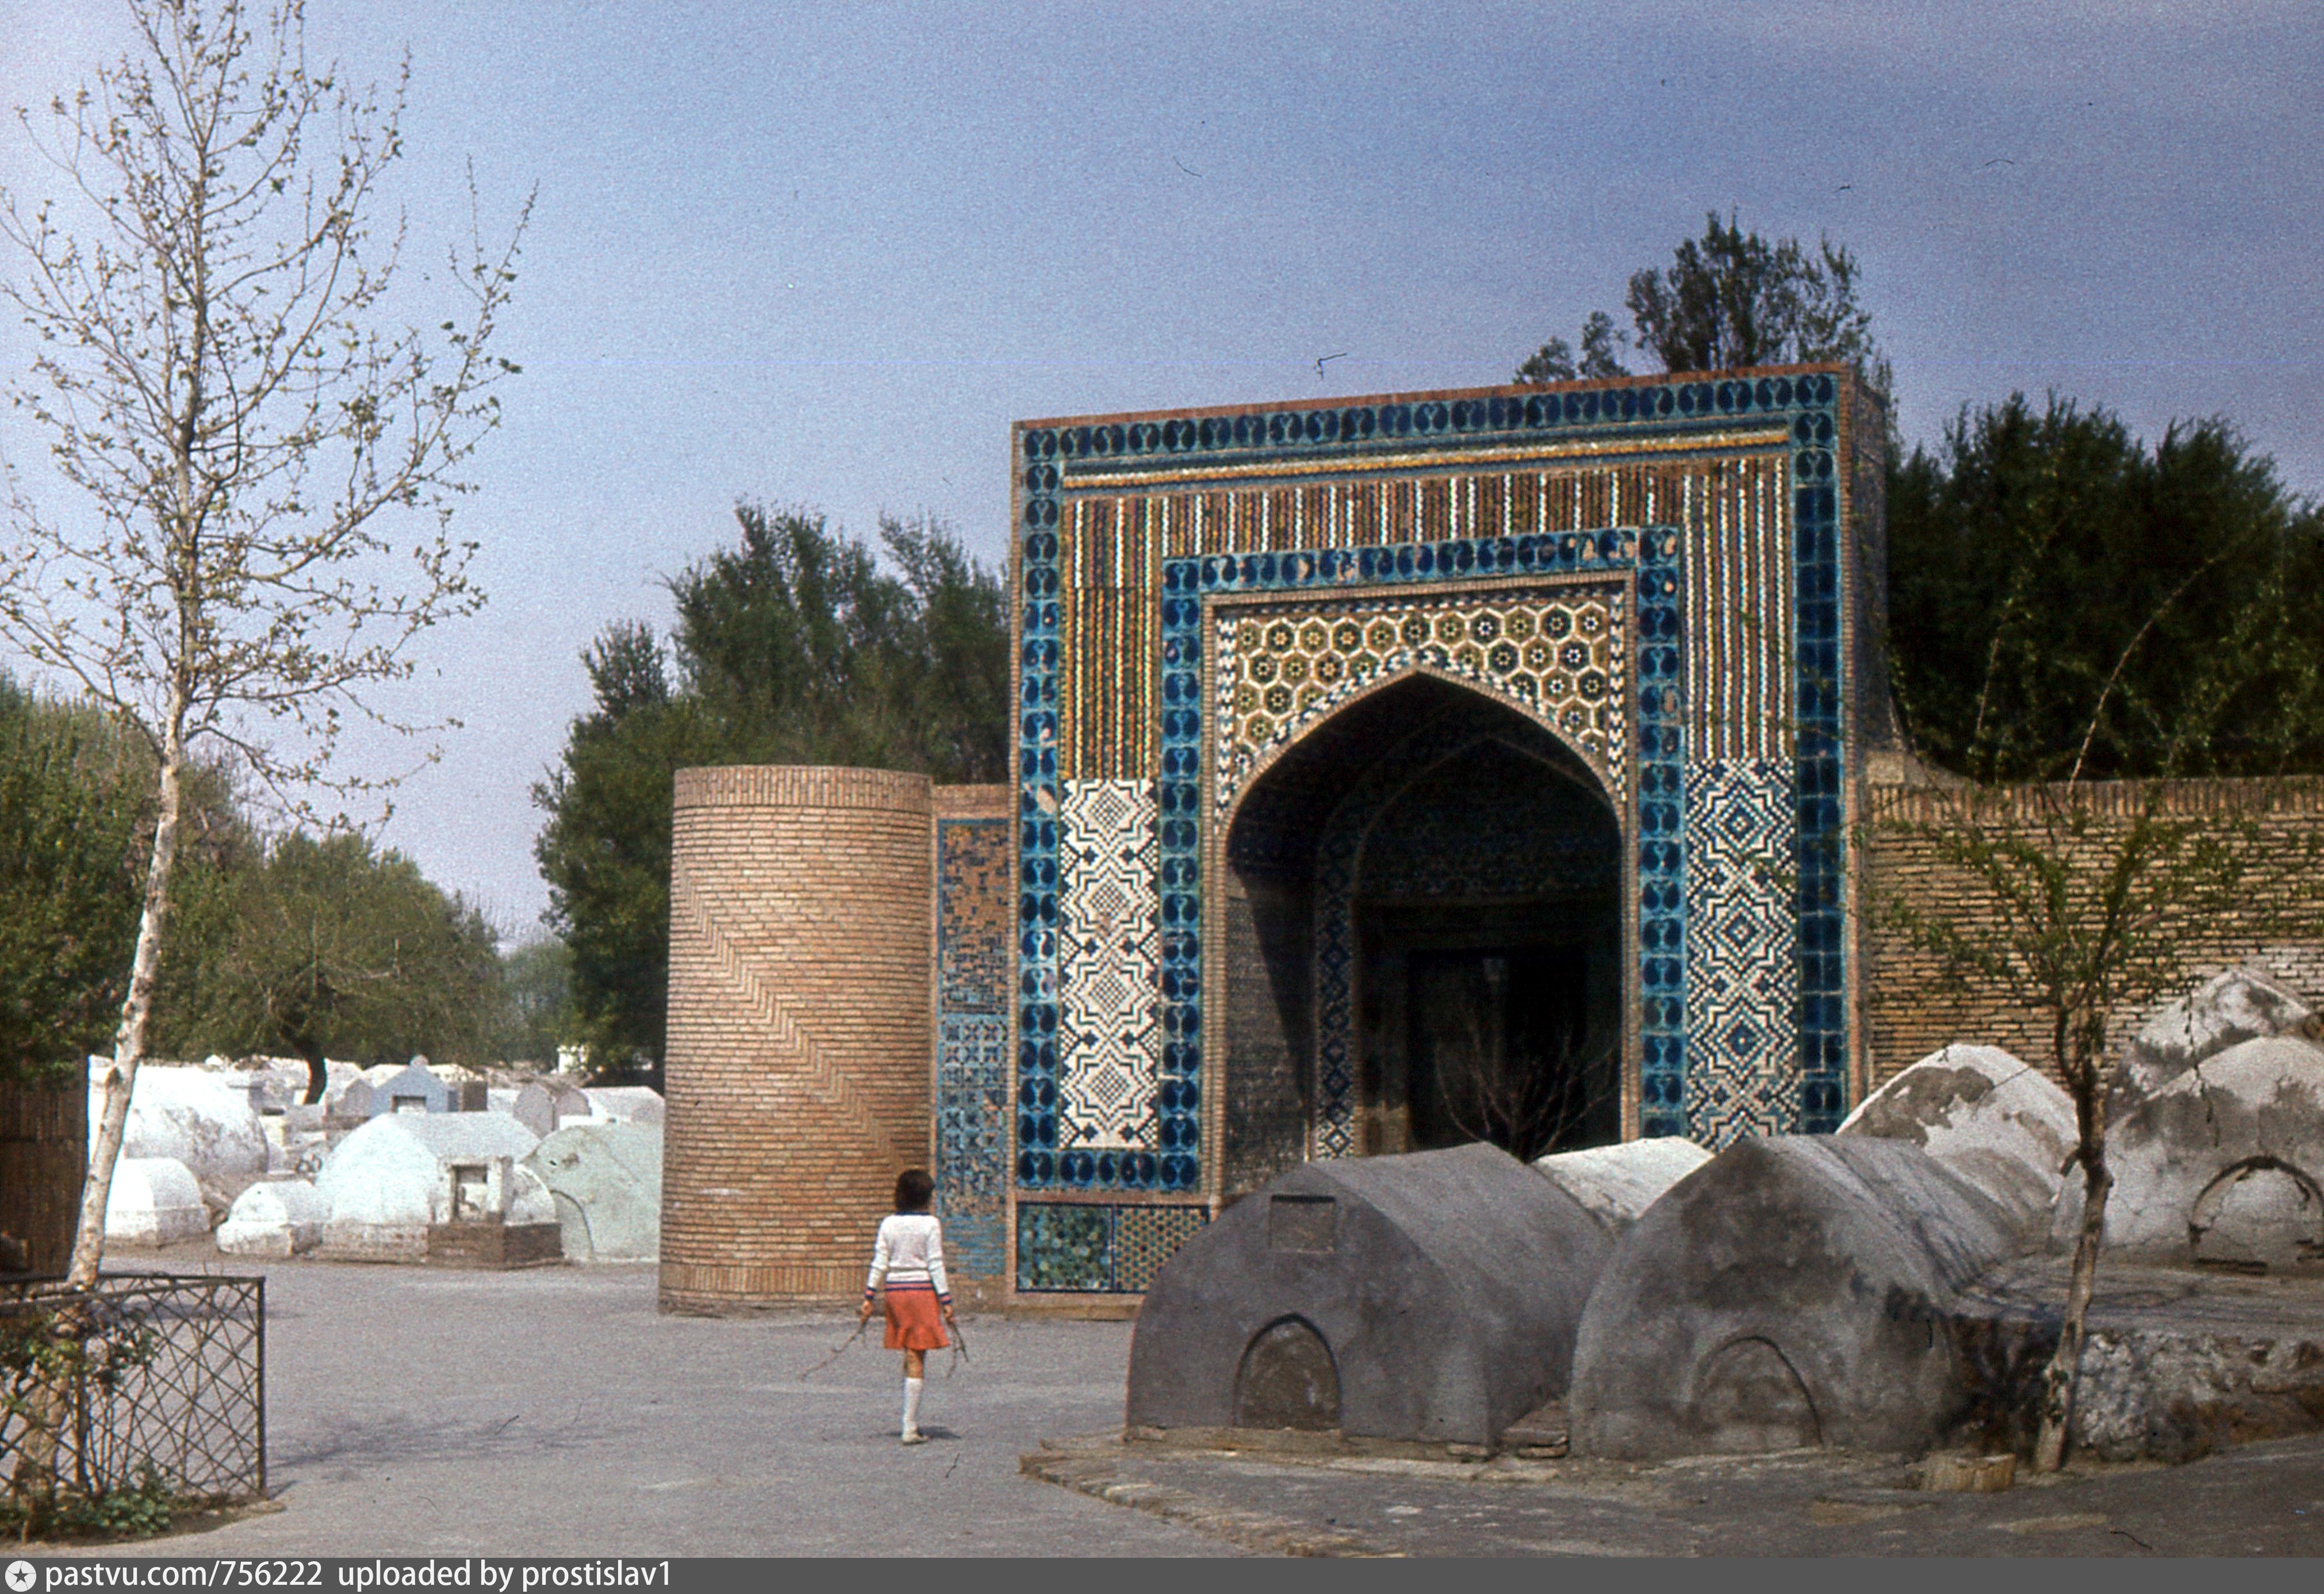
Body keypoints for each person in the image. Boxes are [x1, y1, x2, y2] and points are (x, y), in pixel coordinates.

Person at [858, 1167, 957, 1445]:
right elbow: (936, 1263)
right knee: (917, 1357)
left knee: (908, 1353)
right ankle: (910, 1426)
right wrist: (946, 1300)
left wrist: (868, 1296)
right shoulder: (930, 1225)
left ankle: (909, 1421)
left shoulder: (888, 1224)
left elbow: (880, 1262)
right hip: (921, 1292)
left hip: (895, 1293)